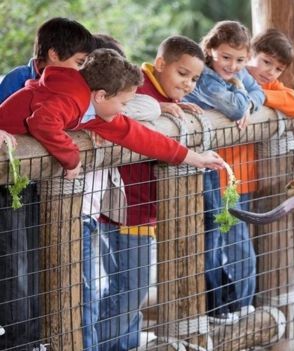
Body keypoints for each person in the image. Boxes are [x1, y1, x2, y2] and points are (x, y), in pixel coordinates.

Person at [0, 48, 226, 350]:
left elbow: (144, 138)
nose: (125, 109)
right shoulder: (73, 99)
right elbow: (42, 121)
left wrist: (195, 158)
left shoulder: (95, 110)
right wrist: (71, 158)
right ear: (102, 96)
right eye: (123, 102)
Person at [96, 35, 206, 350]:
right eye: (182, 74)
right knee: (131, 288)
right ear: (160, 64)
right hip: (127, 208)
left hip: (144, 208)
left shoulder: (157, 94)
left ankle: (125, 344)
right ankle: (108, 346)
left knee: (132, 291)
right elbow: (125, 113)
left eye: (194, 78)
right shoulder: (137, 89)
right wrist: (160, 107)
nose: (188, 84)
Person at [0, 17, 95, 350]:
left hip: (37, 182)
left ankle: (35, 335)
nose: (81, 70)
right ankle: (18, 340)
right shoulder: (20, 79)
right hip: (9, 182)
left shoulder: (66, 85)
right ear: (54, 54)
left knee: (35, 252)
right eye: (79, 62)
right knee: (15, 257)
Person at [184, 20, 264, 323]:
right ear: (211, 51)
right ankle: (215, 305)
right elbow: (233, 108)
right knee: (212, 235)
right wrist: (244, 100)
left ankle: (234, 303)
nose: (233, 66)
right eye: (226, 57)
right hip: (200, 168)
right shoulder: (204, 77)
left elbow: (259, 94)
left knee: (226, 234)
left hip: (223, 171)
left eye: (241, 60)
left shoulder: (236, 74)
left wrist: (248, 104)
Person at [246, 28, 294, 119]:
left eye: (278, 69)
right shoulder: (233, 76)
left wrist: (260, 95)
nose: (271, 72)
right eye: (267, 62)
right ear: (249, 55)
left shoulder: (269, 85)